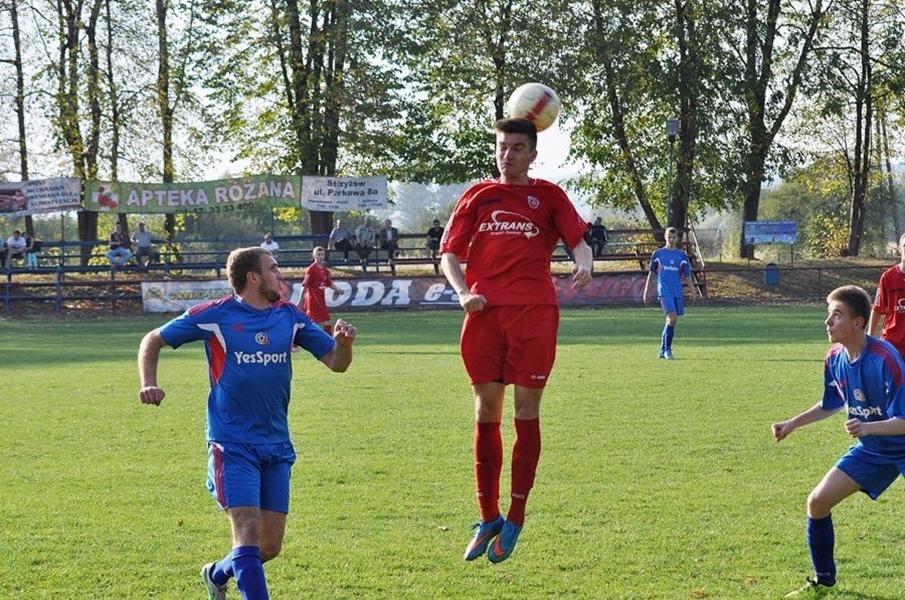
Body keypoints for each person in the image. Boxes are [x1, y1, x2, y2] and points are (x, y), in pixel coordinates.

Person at [137, 246, 356, 600]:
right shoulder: (215, 315)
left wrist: (344, 345)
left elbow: (336, 362)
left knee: (268, 546)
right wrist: (148, 381)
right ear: (253, 277)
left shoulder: (290, 317)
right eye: (273, 269)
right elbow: (154, 339)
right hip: (231, 443)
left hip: (276, 444)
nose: (280, 275)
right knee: (247, 529)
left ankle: (216, 573)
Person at [440, 118, 593, 564]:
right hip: (483, 314)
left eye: (516, 148)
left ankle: (516, 516)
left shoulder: (549, 196)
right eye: (502, 147)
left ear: (532, 153)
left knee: (526, 411)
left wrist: (584, 263)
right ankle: (487, 516)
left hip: (534, 315)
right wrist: (464, 292)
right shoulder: (478, 195)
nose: (507, 154)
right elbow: (449, 252)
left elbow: (578, 241)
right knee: (485, 411)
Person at [772, 285, 905, 597]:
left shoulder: (887, 359)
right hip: (872, 450)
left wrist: (869, 428)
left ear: (858, 322)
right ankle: (824, 582)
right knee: (817, 503)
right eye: (828, 315)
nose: (827, 322)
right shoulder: (834, 358)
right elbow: (830, 403)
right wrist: (793, 423)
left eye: (836, 315)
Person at [642, 227, 699, 359]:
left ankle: (662, 349)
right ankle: (668, 350)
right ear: (665, 237)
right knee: (673, 317)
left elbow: (687, 275)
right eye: (669, 237)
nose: (671, 239)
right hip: (663, 290)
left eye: (674, 237)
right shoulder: (658, 254)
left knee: (670, 320)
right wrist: (646, 291)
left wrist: (693, 290)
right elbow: (652, 273)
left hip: (676, 290)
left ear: (678, 239)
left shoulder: (682, 255)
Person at [868, 232, 905, 358]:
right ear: (900, 249)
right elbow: (878, 309)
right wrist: (870, 337)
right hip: (892, 345)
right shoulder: (888, 277)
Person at [301, 246, 341, 332]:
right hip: (313, 299)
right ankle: (327, 341)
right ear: (314, 256)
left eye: (322, 254)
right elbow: (304, 285)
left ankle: (324, 340)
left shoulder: (325, 270)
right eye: (318, 254)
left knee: (322, 321)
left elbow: (328, 283)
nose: (321, 256)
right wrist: (300, 301)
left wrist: (337, 289)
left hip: (321, 299)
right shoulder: (311, 269)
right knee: (322, 321)